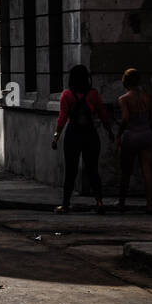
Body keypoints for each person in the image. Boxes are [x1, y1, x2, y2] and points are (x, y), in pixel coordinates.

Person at [51, 64, 113, 214]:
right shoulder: (93, 94)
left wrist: (56, 137)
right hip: (90, 135)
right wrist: (109, 131)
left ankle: (65, 205)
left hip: (73, 135)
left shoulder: (67, 95)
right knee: (93, 169)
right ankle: (99, 202)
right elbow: (103, 115)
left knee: (70, 171)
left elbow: (62, 118)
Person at [116, 68, 152, 214]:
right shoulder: (148, 97)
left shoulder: (124, 99)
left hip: (131, 136)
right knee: (147, 170)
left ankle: (121, 203)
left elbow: (126, 118)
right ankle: (150, 205)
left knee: (126, 171)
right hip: (147, 134)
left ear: (125, 81)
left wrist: (119, 134)